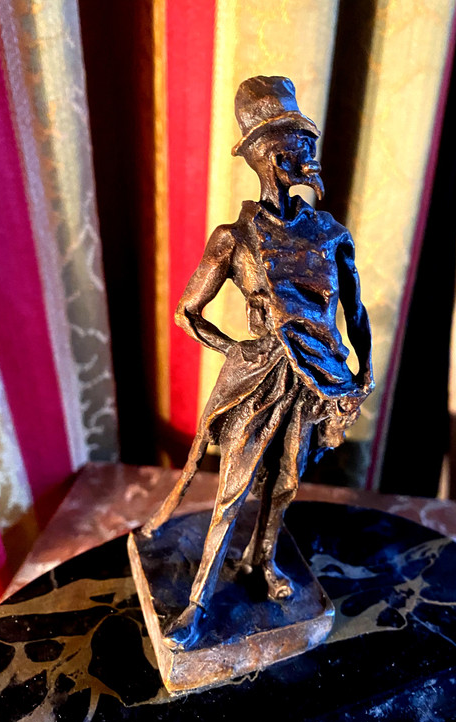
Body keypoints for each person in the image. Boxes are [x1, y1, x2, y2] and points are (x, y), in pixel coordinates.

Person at [143, 76, 373, 649]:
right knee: (234, 486)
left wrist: (364, 369)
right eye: (300, 145)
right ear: (270, 155)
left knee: (288, 480)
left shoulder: (331, 235)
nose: (312, 157)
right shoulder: (233, 237)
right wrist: (236, 350)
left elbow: (355, 309)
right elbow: (187, 312)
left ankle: (262, 559)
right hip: (260, 377)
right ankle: (196, 602)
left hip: (320, 380)